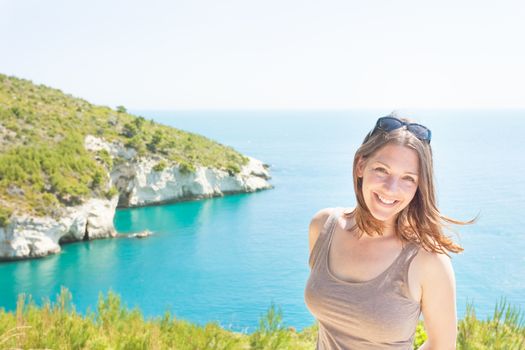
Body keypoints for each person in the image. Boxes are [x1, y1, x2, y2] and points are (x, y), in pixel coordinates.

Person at [304, 112, 475, 349]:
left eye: (408, 178)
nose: (391, 189)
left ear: (419, 187)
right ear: (361, 165)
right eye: (382, 170)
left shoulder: (428, 260)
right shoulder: (323, 227)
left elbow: (442, 345)